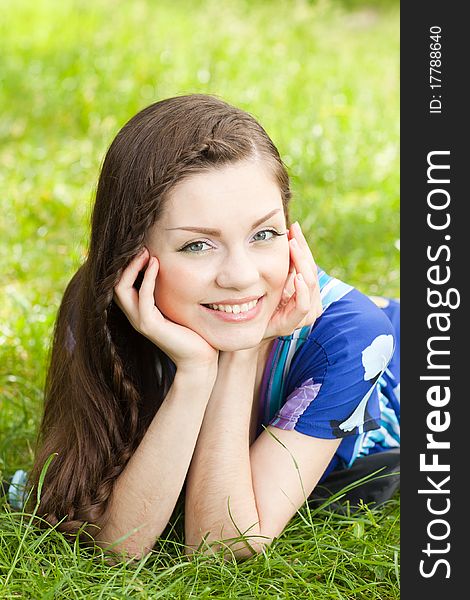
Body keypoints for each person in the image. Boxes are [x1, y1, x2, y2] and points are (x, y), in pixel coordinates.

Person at [5, 94, 400, 561]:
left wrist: (241, 350)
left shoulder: (352, 336)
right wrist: (194, 373)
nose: (241, 276)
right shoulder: (101, 308)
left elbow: (222, 546)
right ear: (133, 253)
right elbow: (116, 547)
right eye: (197, 245)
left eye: (264, 234)